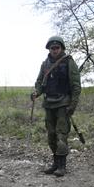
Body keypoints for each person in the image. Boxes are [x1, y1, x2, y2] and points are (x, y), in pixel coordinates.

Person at [32, 36, 81, 177]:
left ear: (62, 48)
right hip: (49, 104)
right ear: (49, 49)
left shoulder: (69, 63)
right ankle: (55, 163)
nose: (54, 50)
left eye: (57, 48)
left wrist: (73, 105)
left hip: (63, 104)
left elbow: (76, 86)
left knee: (61, 135)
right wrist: (36, 93)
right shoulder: (45, 64)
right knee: (51, 135)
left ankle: (62, 166)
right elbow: (40, 82)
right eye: (52, 48)